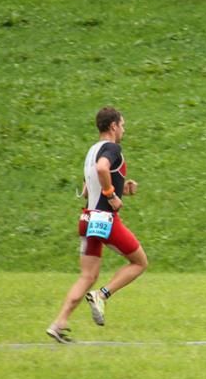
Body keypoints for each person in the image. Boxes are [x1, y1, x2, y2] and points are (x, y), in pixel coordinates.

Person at [46, 106, 149, 343]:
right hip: (105, 220)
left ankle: (58, 323)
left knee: (87, 275)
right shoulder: (112, 148)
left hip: (87, 219)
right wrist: (112, 193)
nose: (123, 130)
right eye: (122, 125)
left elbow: (86, 189)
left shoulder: (91, 151)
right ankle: (102, 295)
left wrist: (122, 187)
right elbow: (103, 170)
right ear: (113, 126)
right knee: (140, 262)